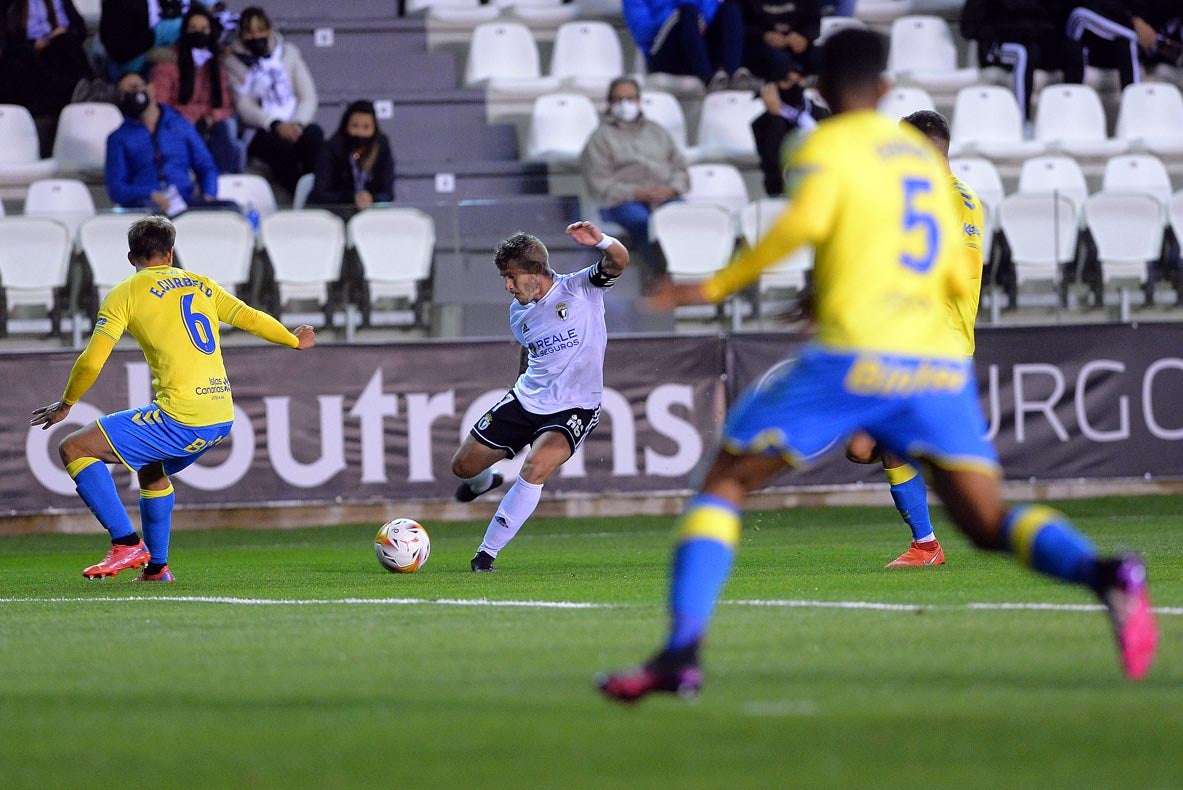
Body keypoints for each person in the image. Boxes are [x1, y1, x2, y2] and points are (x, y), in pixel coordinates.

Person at [596, 28, 1158, 702]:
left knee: (724, 482)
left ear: (825, 90)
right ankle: (1106, 574)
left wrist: (712, 286)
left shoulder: (829, 143)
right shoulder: (928, 168)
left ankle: (679, 653)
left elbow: (800, 225)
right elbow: (951, 267)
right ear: (884, 88)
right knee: (983, 521)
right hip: (934, 360)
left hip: (857, 350)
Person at [30, 215, 316, 582]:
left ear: (131, 257)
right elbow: (248, 317)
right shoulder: (201, 284)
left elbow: (92, 360)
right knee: (152, 471)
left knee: (74, 448)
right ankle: (156, 568)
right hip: (220, 415)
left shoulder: (126, 292)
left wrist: (67, 404)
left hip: (182, 415)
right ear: (170, 253)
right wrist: (293, 340)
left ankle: (126, 543)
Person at [844, 109, 984, 569]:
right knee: (861, 447)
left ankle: (927, 544)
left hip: (937, 344)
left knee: (887, 443)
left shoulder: (959, 200)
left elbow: (959, 273)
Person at [451, 221, 629, 572]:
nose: (507, 285)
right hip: (526, 400)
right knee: (462, 467)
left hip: (575, 406)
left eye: (512, 276)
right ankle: (485, 482)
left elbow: (619, 261)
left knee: (535, 468)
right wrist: (517, 390)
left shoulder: (581, 288)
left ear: (536, 271)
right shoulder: (518, 311)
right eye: (504, 277)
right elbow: (529, 351)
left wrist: (602, 241)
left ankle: (485, 555)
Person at [581, 77, 688, 277]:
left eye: (630, 98)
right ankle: (663, 278)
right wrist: (638, 193)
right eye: (618, 99)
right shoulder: (600, 138)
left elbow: (680, 168)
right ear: (609, 103)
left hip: (665, 197)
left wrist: (671, 189)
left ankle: (694, 276)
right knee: (646, 225)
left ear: (639, 100)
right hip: (622, 203)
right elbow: (600, 185)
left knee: (687, 218)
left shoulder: (658, 132)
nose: (625, 104)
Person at [225, 5, 323, 195]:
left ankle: (316, 193)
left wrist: (297, 124)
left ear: (269, 30)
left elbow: (308, 96)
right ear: (242, 35)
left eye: (261, 30)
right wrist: (275, 124)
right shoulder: (232, 62)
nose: (256, 37)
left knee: (314, 136)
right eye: (249, 32)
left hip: (295, 123)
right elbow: (244, 105)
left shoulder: (288, 53)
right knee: (281, 149)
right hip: (260, 128)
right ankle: (299, 195)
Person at [105, 71, 228, 214]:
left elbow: (206, 165)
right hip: (145, 206)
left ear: (150, 88)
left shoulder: (180, 124)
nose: (130, 96)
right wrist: (149, 193)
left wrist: (208, 194)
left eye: (134, 88)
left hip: (184, 202)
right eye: (124, 94)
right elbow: (116, 188)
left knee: (230, 209)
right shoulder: (118, 138)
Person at [150, 5, 240, 175]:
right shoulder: (167, 64)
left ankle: (222, 181)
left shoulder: (214, 65)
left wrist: (210, 118)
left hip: (209, 127)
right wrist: (193, 118)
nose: (199, 33)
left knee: (225, 127)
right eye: (193, 28)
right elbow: (161, 106)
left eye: (204, 29)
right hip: (178, 126)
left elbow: (225, 106)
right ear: (185, 31)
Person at [960, 0, 1083, 121]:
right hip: (997, 44)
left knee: (1073, 49)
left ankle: (1072, 116)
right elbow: (968, 28)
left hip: (1035, 40)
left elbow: (1053, 17)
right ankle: (1022, 121)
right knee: (1023, 52)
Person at [622, 0, 754, 91]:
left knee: (730, 9)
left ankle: (733, 74)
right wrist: (679, 17)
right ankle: (708, 79)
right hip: (664, 54)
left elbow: (710, 9)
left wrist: (699, 21)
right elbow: (641, 32)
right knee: (687, 11)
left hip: (698, 47)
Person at [0, 0, 94, 117]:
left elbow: (80, 28)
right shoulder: (8, 4)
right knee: (22, 57)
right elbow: (6, 42)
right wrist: (34, 44)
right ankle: (77, 93)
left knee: (65, 44)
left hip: (58, 47)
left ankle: (87, 90)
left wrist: (64, 33)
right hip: (27, 52)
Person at [751, 65, 828, 197]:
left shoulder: (821, 114)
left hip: (824, 187)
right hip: (783, 193)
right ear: (772, 88)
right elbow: (774, 162)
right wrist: (775, 117)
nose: (795, 86)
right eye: (787, 81)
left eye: (798, 80)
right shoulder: (761, 124)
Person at [309, 99, 395, 208]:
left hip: (370, 211)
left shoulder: (381, 148)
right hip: (335, 211)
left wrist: (371, 199)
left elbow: (388, 193)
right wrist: (351, 198)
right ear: (346, 127)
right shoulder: (331, 148)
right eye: (355, 126)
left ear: (375, 129)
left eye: (366, 127)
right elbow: (320, 194)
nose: (360, 133)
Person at [99, 0, 190, 77]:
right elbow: (117, 46)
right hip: (129, 62)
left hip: (166, 54)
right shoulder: (118, 3)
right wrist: (150, 51)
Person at [738, 0, 819, 83]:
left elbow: (814, 21)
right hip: (761, 47)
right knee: (773, 59)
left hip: (798, 45)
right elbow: (738, 26)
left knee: (822, 55)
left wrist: (804, 36)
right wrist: (764, 36)